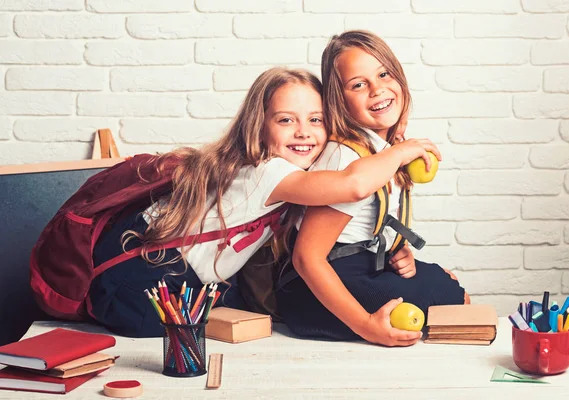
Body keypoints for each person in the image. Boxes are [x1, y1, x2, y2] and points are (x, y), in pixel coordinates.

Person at [87, 67, 436, 338]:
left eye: (316, 120)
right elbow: (354, 185)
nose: (304, 131)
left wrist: (393, 247)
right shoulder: (266, 172)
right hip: (142, 283)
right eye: (286, 120)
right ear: (259, 126)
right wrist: (402, 149)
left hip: (187, 281)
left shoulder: (290, 177)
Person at [276, 31, 469, 347]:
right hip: (312, 287)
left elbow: (363, 227)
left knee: (445, 283)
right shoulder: (347, 158)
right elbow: (307, 258)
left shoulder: (382, 151)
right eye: (358, 84)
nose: (377, 89)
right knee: (452, 298)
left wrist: (395, 248)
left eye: (383, 74)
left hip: (364, 263)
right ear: (339, 99)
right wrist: (366, 326)